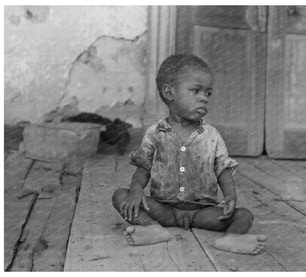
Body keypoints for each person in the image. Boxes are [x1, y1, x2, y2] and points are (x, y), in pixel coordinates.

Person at [112, 54, 267, 255]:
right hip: (163, 210)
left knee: (244, 215)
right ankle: (151, 228)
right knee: (120, 196)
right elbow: (143, 169)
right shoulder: (154, 133)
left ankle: (232, 238)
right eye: (195, 91)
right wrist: (135, 191)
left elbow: (223, 170)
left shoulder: (211, 135)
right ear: (169, 93)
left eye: (208, 93)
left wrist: (230, 196)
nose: (204, 97)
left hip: (202, 212)